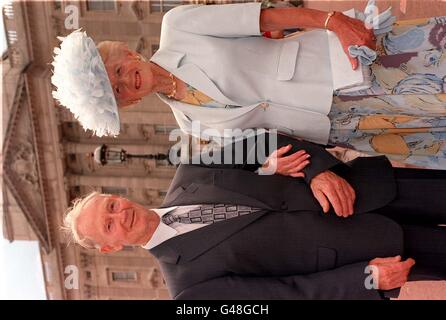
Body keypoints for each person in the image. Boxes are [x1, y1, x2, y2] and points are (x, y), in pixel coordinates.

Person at [51, 1, 446, 168]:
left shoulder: (179, 26)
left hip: (341, 68)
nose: (125, 82)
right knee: (436, 134)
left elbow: (269, 20)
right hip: (343, 128)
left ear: (126, 53)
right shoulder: (190, 127)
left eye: (116, 70)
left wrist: (334, 22)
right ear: (130, 105)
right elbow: (270, 140)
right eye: (119, 93)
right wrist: (273, 164)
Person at [62, 132, 446, 299]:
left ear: (117, 195)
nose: (120, 214)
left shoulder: (190, 171)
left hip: (370, 188)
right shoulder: (187, 290)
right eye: (108, 224)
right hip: (371, 254)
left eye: (111, 205)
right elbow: (283, 296)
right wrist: (364, 281)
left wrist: (317, 171)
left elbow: (264, 142)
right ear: (110, 247)